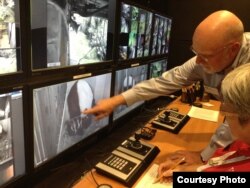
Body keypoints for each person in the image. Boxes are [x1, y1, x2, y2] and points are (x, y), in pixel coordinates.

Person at [83, 10, 250, 162]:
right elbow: (165, 82)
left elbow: (235, 121)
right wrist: (117, 100)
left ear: (232, 49)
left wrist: (203, 157)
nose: (198, 62)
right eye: (195, 52)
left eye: (205, 56)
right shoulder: (207, 57)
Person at [157, 63, 250, 181]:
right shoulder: (244, 143)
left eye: (227, 113)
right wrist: (182, 170)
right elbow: (221, 164)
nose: (226, 121)